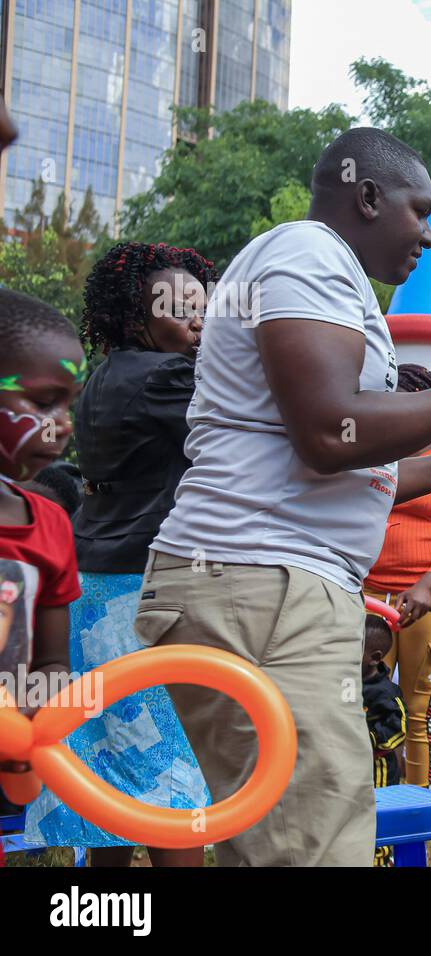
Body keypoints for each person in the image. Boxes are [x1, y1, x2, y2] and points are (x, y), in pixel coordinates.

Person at [135, 127, 431, 866]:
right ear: (367, 196)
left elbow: (349, 472)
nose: (428, 239)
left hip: (265, 584)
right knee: (315, 844)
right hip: (262, 586)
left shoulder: (324, 276)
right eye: (419, 211)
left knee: (287, 838)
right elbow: (329, 435)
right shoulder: (309, 256)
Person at [21, 242, 219, 866]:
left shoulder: (108, 373)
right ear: (136, 315)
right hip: (139, 592)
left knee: (110, 779)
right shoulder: (167, 376)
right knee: (167, 783)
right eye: (179, 306)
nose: (198, 318)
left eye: (204, 306)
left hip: (95, 587)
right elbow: (257, 422)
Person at [363, 364, 431, 788]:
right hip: (369, 596)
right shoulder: (372, 454)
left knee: (421, 713)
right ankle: (370, 802)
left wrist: (426, 583)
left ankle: (416, 812)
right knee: (362, 701)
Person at [0, 292, 81, 782]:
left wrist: (32, 718)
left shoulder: (50, 525)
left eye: (69, 404)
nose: (64, 424)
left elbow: (51, 662)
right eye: (45, 402)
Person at [361, 613, 406, 866]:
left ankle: (379, 858)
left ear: (375, 658)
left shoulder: (386, 693)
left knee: (376, 810)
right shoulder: (348, 681)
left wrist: (366, 739)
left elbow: (399, 729)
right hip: (352, 763)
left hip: (377, 768)